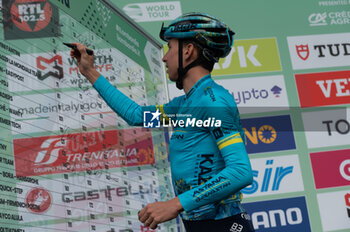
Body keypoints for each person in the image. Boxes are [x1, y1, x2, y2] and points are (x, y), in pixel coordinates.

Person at [71, 12, 254, 232]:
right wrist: (89, 71)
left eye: (170, 48)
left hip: (223, 225)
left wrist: (176, 204)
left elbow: (240, 171)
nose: (165, 58)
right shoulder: (184, 106)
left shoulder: (212, 101)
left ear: (188, 51)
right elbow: (136, 114)